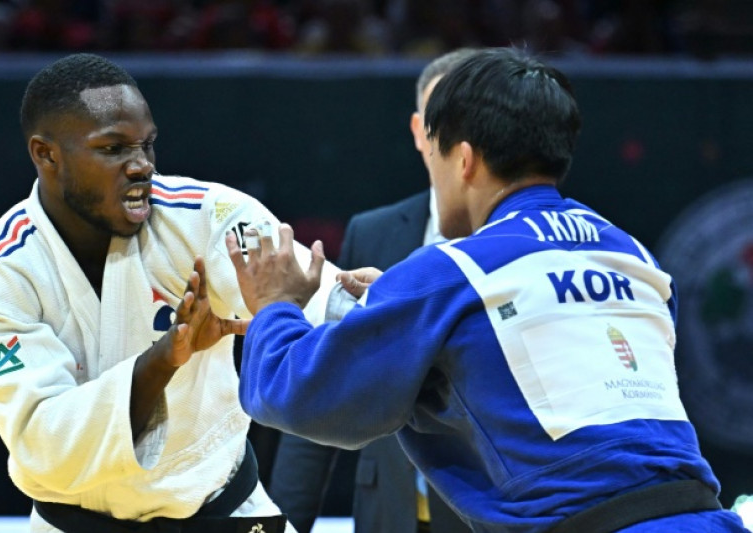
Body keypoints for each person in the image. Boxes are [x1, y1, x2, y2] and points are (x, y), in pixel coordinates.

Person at [226, 47, 751, 532]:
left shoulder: (447, 272)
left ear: (465, 158)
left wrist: (276, 307)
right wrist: (400, 304)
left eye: (434, 152)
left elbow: (303, 397)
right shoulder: (634, 255)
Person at [0, 53, 341, 533]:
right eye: (112, 149)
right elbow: (48, 447)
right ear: (46, 154)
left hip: (221, 511)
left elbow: (321, 302)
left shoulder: (207, 217)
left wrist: (365, 301)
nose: (141, 167)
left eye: (147, 146)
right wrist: (164, 359)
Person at [267, 49, 477, 533]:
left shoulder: (518, 244)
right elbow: (321, 384)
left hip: (483, 515)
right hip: (387, 513)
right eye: (436, 120)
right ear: (417, 131)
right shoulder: (374, 232)